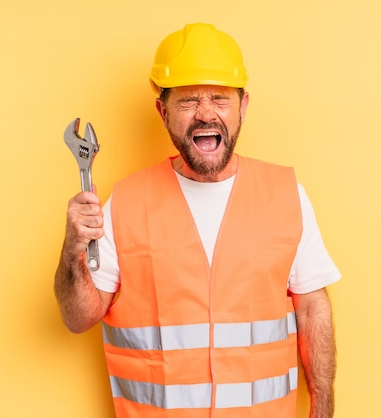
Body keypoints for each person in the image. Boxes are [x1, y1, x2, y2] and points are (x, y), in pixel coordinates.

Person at [55, 23, 341, 418]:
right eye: (189, 100)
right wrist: (72, 249)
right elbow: (77, 317)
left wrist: (323, 406)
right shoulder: (126, 202)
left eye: (220, 98)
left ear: (242, 106)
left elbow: (313, 309)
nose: (206, 113)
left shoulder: (286, 194)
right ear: (163, 111)